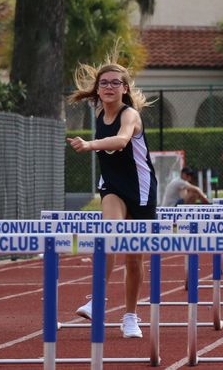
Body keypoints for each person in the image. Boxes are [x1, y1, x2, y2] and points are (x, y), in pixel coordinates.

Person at [65, 61, 156, 339]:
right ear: (97, 89)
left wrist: (90, 145)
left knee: (133, 258)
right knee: (108, 234)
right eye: (104, 83)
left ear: (125, 88)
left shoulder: (130, 115)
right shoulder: (98, 113)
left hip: (140, 190)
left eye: (115, 82)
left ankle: (130, 316)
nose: (108, 87)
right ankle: (97, 300)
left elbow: (121, 141)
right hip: (113, 187)